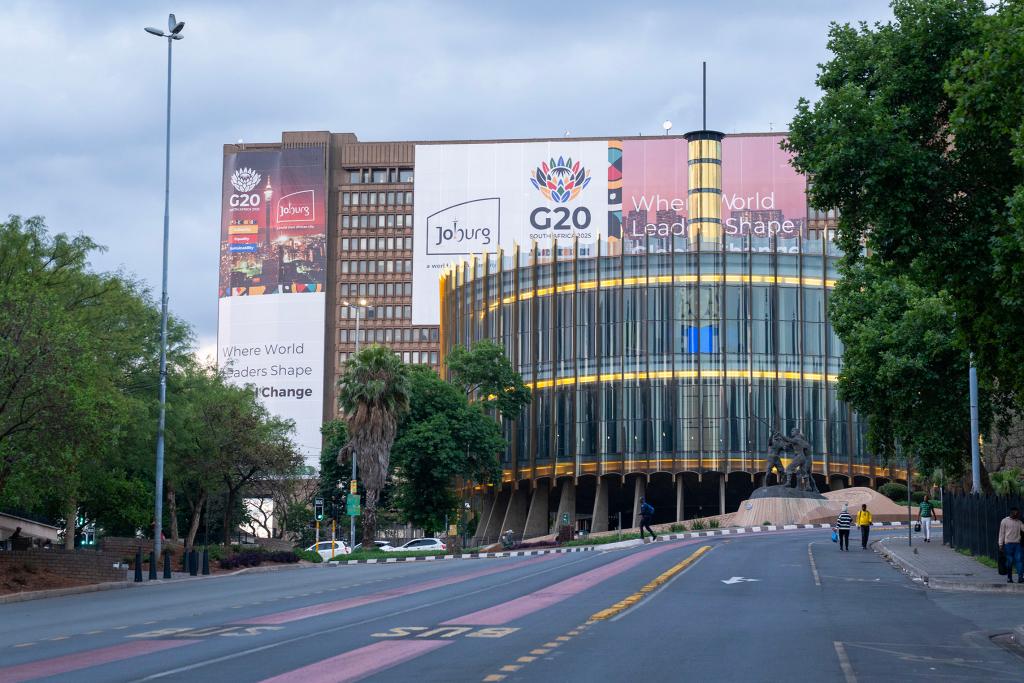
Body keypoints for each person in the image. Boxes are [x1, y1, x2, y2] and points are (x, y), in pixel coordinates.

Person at [998, 507, 1023, 584]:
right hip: (1008, 544)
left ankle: (1020, 578)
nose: (1017, 514)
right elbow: (1001, 533)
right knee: (1010, 561)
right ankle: (1009, 578)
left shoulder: (1019, 522)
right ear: (1011, 513)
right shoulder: (1004, 521)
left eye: (1017, 513)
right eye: (1015, 513)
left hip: (1017, 544)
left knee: (1019, 561)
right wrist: (1000, 544)